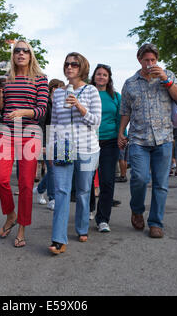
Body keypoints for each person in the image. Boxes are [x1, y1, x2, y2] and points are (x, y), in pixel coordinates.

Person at [118, 43, 177, 238]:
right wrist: (121, 132)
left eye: (153, 60)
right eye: (146, 60)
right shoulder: (130, 83)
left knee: (161, 183)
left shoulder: (168, 75)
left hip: (164, 138)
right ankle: (137, 209)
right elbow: (125, 111)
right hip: (138, 139)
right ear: (139, 60)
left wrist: (166, 80)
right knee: (139, 178)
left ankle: (156, 222)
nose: (150, 63)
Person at [0, 40, 48, 248]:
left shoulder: (40, 79)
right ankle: (11, 215)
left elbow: (42, 109)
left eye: (25, 50)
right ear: (13, 55)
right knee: (0, 178)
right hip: (6, 131)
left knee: (25, 184)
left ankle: (23, 227)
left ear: (31, 55)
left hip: (30, 133)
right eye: (17, 51)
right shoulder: (7, 79)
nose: (21, 53)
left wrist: (23, 112)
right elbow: (0, 109)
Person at [48, 52, 101, 254]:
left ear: (82, 68)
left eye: (74, 64)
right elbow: (54, 123)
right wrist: (51, 148)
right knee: (61, 191)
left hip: (87, 147)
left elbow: (96, 121)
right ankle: (58, 239)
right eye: (67, 64)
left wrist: (79, 105)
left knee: (83, 191)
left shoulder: (91, 91)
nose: (69, 67)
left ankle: (81, 227)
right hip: (63, 146)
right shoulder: (59, 93)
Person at [89, 64, 121, 232]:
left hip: (110, 142)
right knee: (86, 180)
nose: (101, 77)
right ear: (94, 76)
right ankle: (89, 209)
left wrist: (122, 136)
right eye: (98, 74)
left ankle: (103, 219)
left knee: (107, 181)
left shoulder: (115, 96)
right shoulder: (86, 93)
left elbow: (120, 118)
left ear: (109, 79)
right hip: (88, 141)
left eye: (105, 75)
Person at [33, 78, 65, 210]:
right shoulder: (45, 103)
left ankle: (40, 189)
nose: (62, 91)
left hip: (62, 138)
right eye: (60, 88)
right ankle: (52, 198)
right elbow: (40, 123)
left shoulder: (63, 103)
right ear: (53, 88)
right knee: (52, 169)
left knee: (59, 169)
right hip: (48, 137)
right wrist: (42, 143)